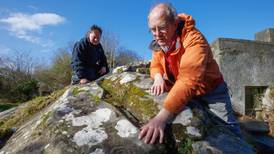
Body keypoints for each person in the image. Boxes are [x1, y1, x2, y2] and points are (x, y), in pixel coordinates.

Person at [138, 3, 241, 144]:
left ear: (175, 23)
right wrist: (157, 77)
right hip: (185, 92)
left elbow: (188, 80)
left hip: (212, 92)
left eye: (161, 27)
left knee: (230, 132)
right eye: (152, 30)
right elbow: (155, 64)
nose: (157, 34)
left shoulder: (194, 40)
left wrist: (161, 118)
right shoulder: (160, 41)